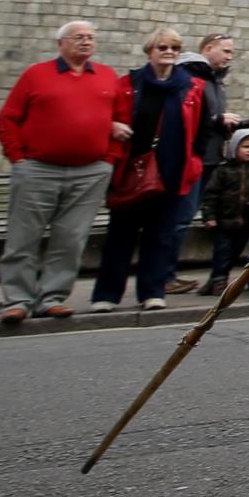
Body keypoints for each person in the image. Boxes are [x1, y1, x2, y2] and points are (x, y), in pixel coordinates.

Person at [0, 18, 134, 326]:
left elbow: (121, 123)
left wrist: (108, 159)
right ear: (61, 44)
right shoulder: (36, 75)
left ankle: (52, 298)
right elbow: (8, 119)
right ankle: (17, 300)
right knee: (23, 238)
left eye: (90, 37)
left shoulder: (107, 77)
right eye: (78, 37)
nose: (86, 42)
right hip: (38, 169)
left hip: (89, 172)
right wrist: (18, 158)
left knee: (70, 238)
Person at [89, 28, 207, 312]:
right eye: (162, 47)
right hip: (133, 170)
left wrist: (194, 163)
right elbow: (108, 117)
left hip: (172, 171)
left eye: (174, 49)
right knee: (120, 235)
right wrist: (113, 128)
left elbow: (200, 131)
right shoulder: (129, 84)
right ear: (150, 51)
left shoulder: (191, 87)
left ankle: (152, 292)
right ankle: (106, 295)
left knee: (161, 235)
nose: (169, 53)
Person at [157, 30, 238, 295]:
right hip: (193, 160)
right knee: (179, 217)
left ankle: (168, 273)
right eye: (225, 51)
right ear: (208, 48)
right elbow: (187, 116)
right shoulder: (192, 76)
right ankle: (164, 275)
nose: (229, 56)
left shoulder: (215, 81)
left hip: (211, 157)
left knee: (186, 217)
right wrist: (219, 121)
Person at [196, 127, 249, 292]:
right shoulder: (223, 170)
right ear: (234, 148)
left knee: (236, 252)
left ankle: (216, 279)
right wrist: (209, 216)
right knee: (222, 252)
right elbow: (211, 195)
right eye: (246, 147)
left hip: (247, 219)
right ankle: (219, 281)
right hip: (225, 219)